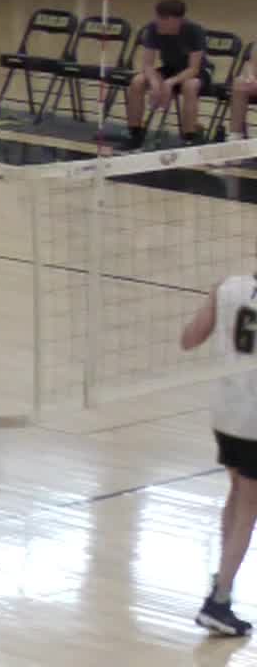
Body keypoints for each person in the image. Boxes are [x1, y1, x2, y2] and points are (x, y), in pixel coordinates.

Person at [180, 270, 257, 636]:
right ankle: (218, 601)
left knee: (237, 494)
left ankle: (221, 582)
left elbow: (189, 339)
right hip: (255, 421)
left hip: (225, 414)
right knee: (248, 508)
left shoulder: (229, 286)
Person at [123, 0, 208, 148]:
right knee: (137, 81)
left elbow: (194, 68)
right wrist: (155, 83)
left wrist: (169, 82)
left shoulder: (194, 31)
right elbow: (148, 64)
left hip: (195, 71)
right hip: (170, 67)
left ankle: (190, 137)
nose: (159, 21)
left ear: (178, 20)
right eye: (158, 17)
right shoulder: (153, 28)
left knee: (189, 86)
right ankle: (135, 133)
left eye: (164, 19)